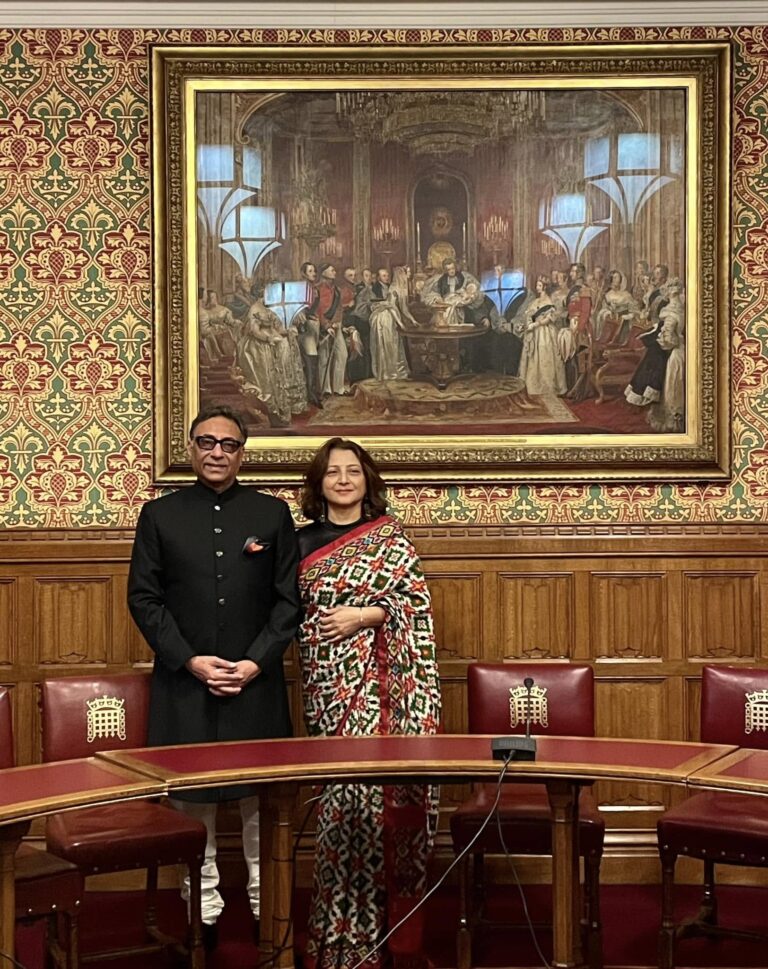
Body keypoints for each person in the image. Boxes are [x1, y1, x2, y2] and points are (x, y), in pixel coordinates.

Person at [127, 403, 301, 949]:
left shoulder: (272, 514)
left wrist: (255, 661)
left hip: (257, 681)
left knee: (261, 804)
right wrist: (190, 660)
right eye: (207, 442)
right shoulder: (160, 515)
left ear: (242, 453)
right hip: (186, 682)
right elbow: (144, 598)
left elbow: (288, 602)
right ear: (191, 448)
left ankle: (265, 908)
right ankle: (201, 911)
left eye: (228, 444)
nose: (217, 452)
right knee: (192, 802)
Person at [296, 438, 442, 969]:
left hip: (390, 691)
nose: (342, 480)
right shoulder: (300, 541)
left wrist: (362, 616)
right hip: (328, 682)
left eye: (352, 471)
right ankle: (339, 933)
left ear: (367, 480)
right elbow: (287, 610)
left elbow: (414, 606)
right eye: (332, 472)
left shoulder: (390, 538)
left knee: (386, 797)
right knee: (341, 799)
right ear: (319, 483)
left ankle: (393, 936)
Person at [518, 275, 567, 396]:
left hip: (545, 332)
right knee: (533, 358)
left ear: (545, 287)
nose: (537, 287)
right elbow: (529, 315)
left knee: (544, 357)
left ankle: (546, 387)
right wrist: (527, 323)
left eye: (539, 285)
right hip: (534, 332)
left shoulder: (548, 301)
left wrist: (535, 324)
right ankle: (532, 385)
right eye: (537, 285)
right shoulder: (535, 301)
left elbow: (548, 319)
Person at [369, 264, 414, 380]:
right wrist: (400, 323)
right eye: (408, 273)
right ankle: (389, 373)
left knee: (394, 345)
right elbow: (391, 307)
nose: (410, 275)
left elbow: (404, 309)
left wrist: (414, 321)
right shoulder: (393, 289)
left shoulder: (401, 288)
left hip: (392, 316)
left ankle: (395, 371)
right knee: (390, 345)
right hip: (386, 318)